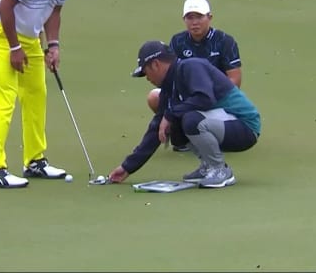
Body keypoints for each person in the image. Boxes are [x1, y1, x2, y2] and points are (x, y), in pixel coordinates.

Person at [0, 0, 104, 188]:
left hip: (29, 35)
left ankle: (34, 161)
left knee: (36, 93)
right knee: (4, 97)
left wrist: (53, 45)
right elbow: (5, 6)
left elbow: (54, 9)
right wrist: (14, 47)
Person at [108, 40, 261, 189]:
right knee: (177, 126)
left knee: (190, 120)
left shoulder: (191, 66)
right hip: (223, 124)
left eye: (146, 72)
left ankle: (220, 170)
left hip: (245, 127)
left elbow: (205, 98)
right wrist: (127, 167)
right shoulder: (170, 85)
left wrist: (169, 115)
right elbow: (156, 128)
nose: (147, 78)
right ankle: (208, 166)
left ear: (155, 64)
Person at [147, 0, 243, 152]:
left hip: (215, 98)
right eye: (190, 18)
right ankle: (183, 139)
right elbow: (170, 78)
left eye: (199, 17)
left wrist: (208, 98)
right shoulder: (177, 41)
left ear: (209, 17)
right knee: (154, 97)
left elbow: (235, 80)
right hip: (187, 96)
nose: (194, 22)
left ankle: (208, 136)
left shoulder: (225, 41)